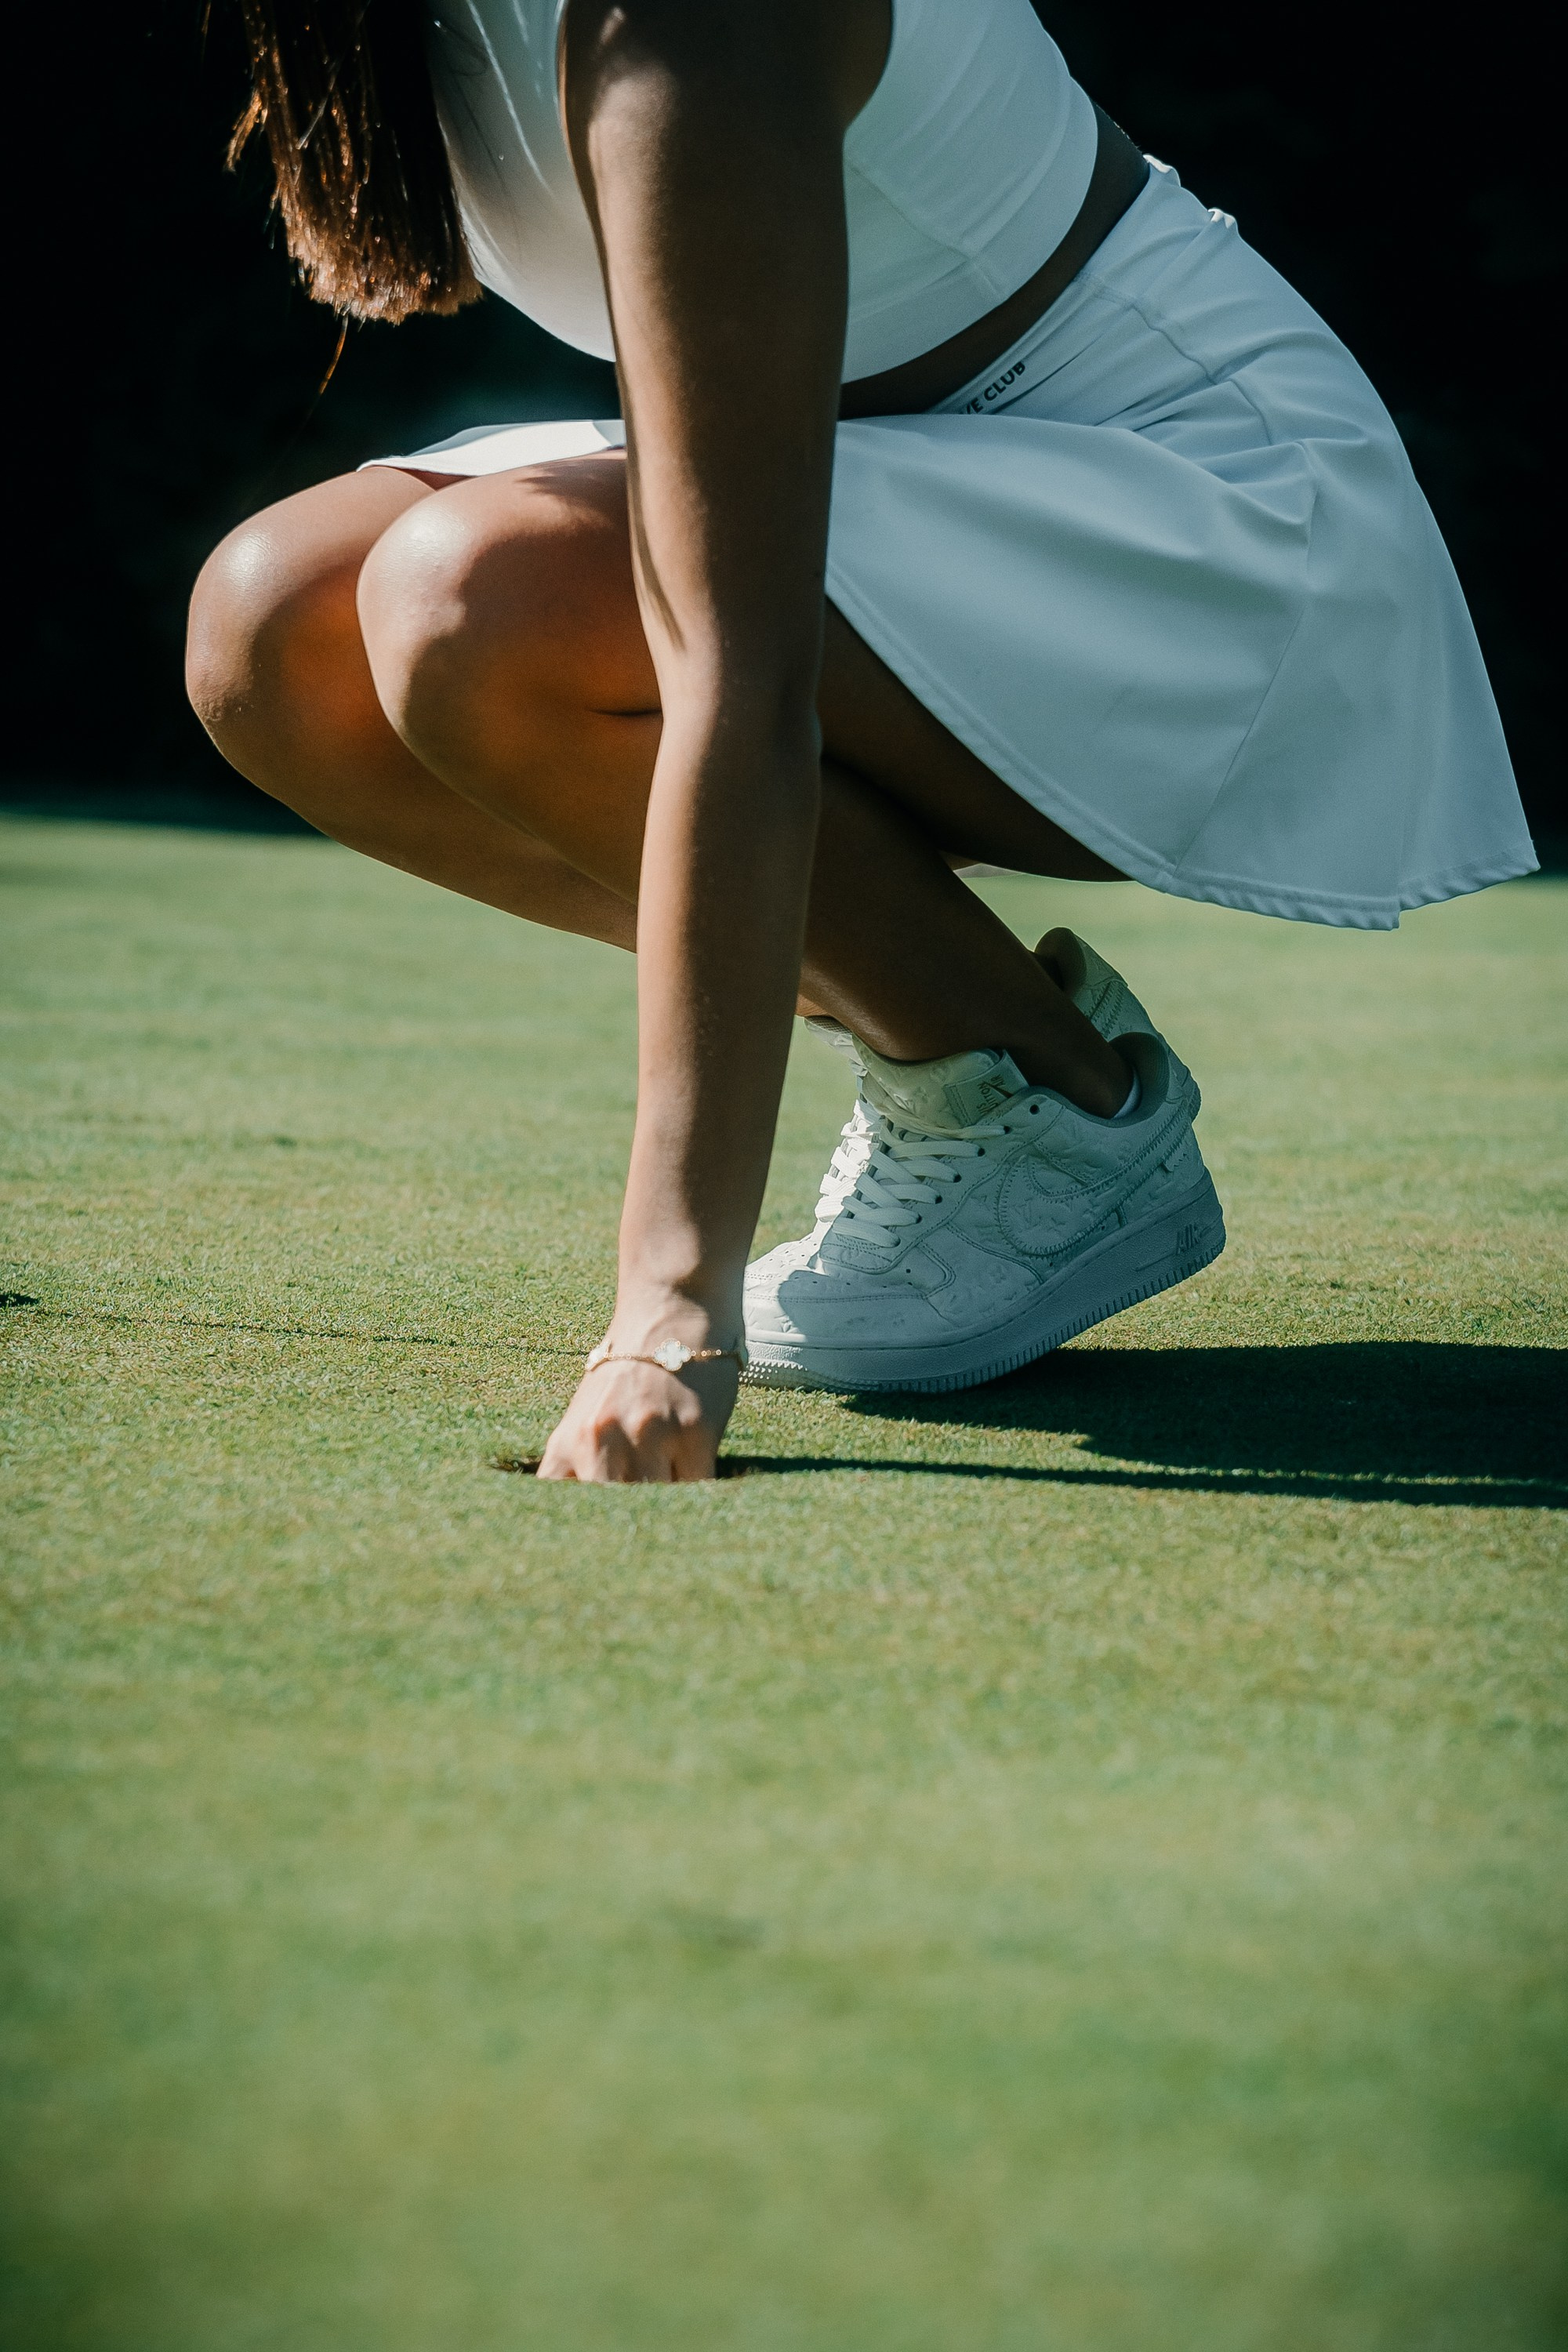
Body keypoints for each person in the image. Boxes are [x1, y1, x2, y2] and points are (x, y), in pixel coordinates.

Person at [186, 0, 1536, 1482]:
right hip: (899, 478)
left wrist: (670, 1315)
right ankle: (1016, 1083)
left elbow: (739, 677)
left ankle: (1000, 1084)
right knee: (273, 638)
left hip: (1206, 520)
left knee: (467, 608)